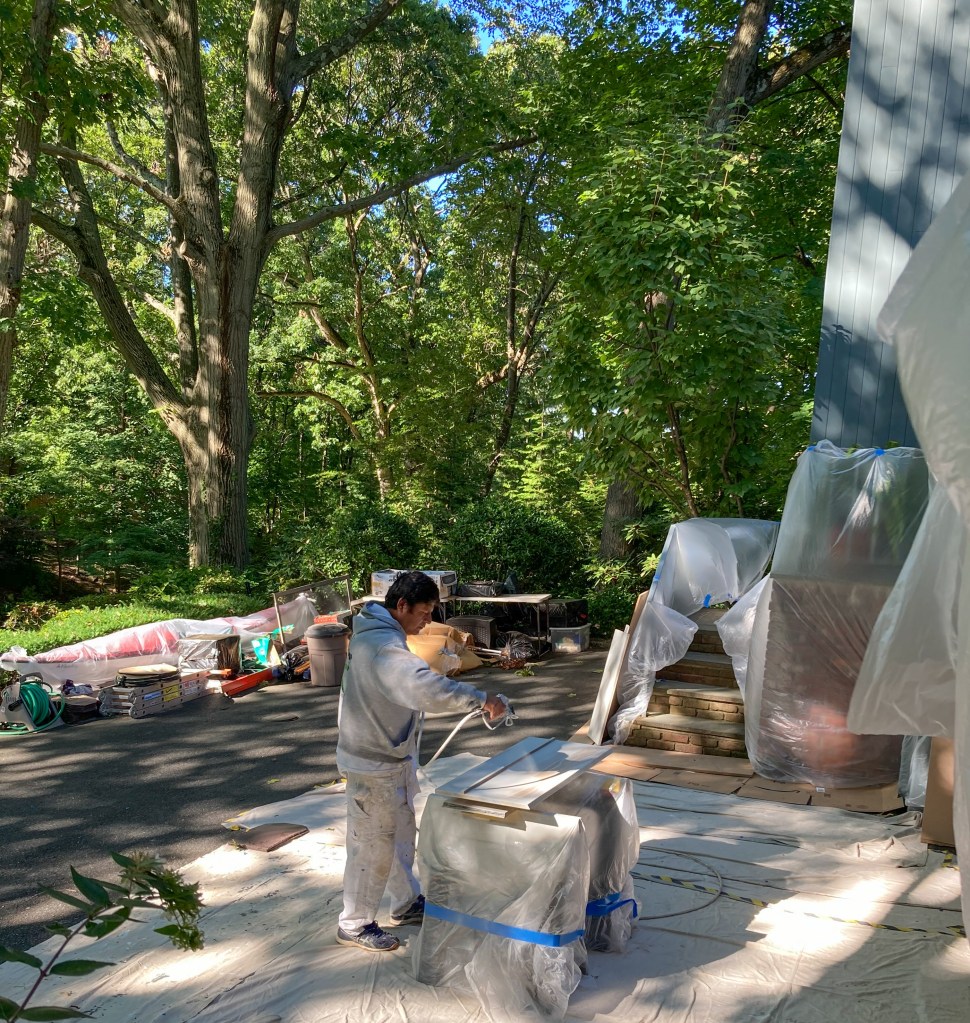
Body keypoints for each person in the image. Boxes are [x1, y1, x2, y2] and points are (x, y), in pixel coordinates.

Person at [335, 570, 508, 953]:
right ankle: (354, 922)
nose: (428, 622)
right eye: (424, 613)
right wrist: (479, 698)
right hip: (373, 761)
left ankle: (404, 901)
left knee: (398, 835)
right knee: (372, 845)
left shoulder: (379, 634)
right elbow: (421, 686)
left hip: (389, 754)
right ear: (401, 605)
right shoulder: (382, 647)